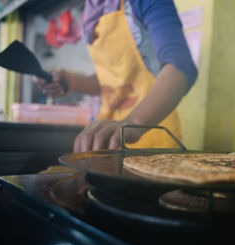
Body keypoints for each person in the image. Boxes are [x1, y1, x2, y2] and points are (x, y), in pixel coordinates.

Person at [38, 0, 198, 153]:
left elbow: (180, 67)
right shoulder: (90, 11)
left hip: (153, 140)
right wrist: (74, 82)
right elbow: (111, 80)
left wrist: (132, 124)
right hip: (107, 142)